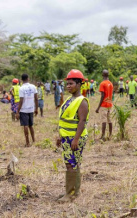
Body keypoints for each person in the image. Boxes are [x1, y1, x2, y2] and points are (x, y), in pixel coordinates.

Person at [56, 69, 89, 202]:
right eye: (67, 84)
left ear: (79, 84)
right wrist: (60, 136)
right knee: (72, 164)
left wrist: (75, 139)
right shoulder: (70, 99)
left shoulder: (82, 101)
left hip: (75, 138)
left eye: (71, 84)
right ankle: (74, 191)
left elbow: (82, 122)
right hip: (67, 137)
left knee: (71, 165)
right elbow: (65, 119)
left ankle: (70, 194)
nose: (68, 86)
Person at [16, 74, 38, 147]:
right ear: (28, 78)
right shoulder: (33, 87)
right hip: (31, 109)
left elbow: (21, 101)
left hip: (24, 109)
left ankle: (27, 142)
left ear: (21, 80)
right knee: (31, 125)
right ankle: (34, 140)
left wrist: (17, 111)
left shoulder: (21, 88)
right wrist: (36, 108)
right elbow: (36, 98)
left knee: (25, 125)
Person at [96, 70, 113, 141]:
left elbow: (102, 95)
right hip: (110, 104)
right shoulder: (110, 83)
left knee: (104, 120)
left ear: (102, 75)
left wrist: (98, 107)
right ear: (108, 75)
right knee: (109, 120)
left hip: (104, 105)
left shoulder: (102, 83)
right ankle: (110, 135)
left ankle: (102, 136)